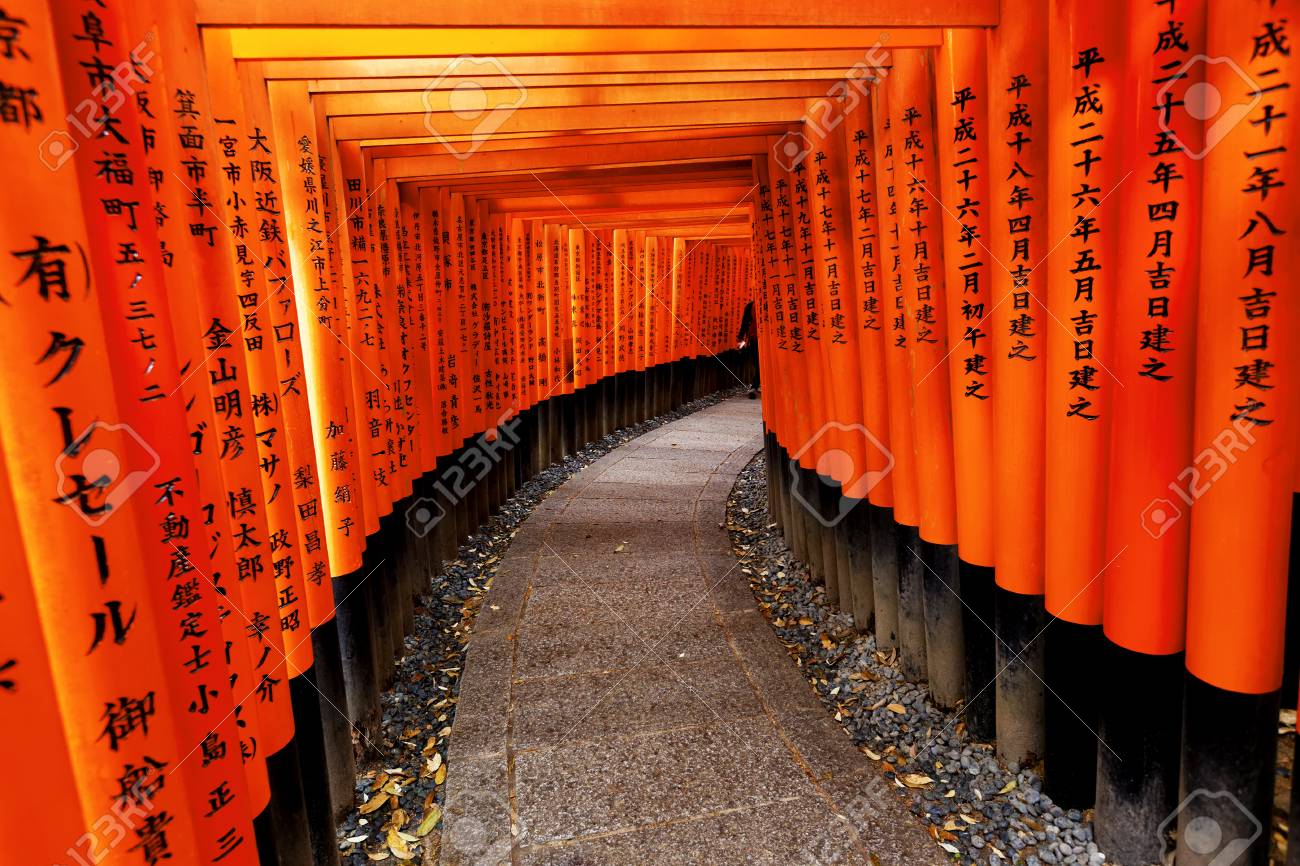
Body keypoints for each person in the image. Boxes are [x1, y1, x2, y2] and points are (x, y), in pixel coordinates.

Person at [735, 299, 760, 398]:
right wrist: (741, 337)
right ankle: (755, 386)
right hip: (756, 338)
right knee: (758, 364)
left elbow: (744, 323)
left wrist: (740, 337)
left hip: (756, 339)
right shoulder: (750, 306)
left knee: (758, 363)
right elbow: (745, 323)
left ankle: (755, 386)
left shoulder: (750, 306)